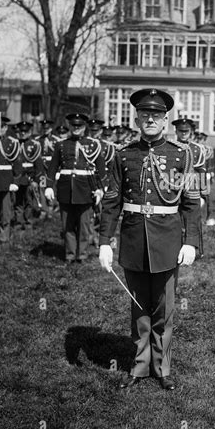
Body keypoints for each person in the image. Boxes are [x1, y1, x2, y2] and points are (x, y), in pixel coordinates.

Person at [98, 88, 200, 391]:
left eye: (156, 115)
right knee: (138, 307)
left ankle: (162, 367)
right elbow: (112, 201)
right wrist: (105, 240)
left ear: (165, 119)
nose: (150, 119)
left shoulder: (182, 155)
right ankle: (140, 365)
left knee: (165, 308)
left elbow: (192, 202)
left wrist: (191, 241)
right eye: (145, 114)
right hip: (132, 240)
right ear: (138, 118)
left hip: (167, 241)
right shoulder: (124, 154)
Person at [45, 113, 107, 263]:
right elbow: (53, 168)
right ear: (70, 127)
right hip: (66, 190)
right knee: (68, 225)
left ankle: (82, 255)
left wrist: (101, 189)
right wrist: (49, 186)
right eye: (73, 126)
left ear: (84, 127)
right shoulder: (61, 145)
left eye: (79, 126)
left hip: (86, 191)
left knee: (84, 225)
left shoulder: (93, 145)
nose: (76, 128)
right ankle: (70, 254)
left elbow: (101, 171)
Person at [171, 116, 208, 255]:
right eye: (181, 131)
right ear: (176, 131)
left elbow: (202, 172)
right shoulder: (171, 148)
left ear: (191, 131)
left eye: (186, 131)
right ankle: (176, 247)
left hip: (193, 188)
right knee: (175, 219)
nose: (183, 134)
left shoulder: (198, 149)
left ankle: (192, 246)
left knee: (193, 218)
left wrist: (203, 194)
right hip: (174, 187)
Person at [0, 116, 22, 247]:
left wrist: (15, 181)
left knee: (6, 210)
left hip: (7, 180)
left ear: (5, 128)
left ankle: (4, 235)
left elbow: (17, 164)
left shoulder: (12, 143)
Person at [87, 118, 116, 247]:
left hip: (102, 181)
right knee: (88, 211)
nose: (94, 133)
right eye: (92, 130)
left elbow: (110, 167)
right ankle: (89, 236)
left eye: (97, 130)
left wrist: (105, 185)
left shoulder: (107, 146)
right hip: (86, 180)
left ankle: (104, 237)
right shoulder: (83, 144)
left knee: (103, 211)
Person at [13, 121, 45, 231]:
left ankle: (28, 221)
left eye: (25, 131)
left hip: (29, 177)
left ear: (30, 132)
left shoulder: (34, 145)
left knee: (29, 201)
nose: (23, 133)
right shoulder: (14, 144)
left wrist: (36, 180)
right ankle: (18, 221)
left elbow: (39, 164)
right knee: (17, 201)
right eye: (21, 131)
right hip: (17, 177)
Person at [36, 119, 58, 219]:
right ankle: (43, 209)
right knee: (42, 187)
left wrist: (58, 170)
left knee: (52, 187)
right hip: (42, 168)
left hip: (52, 168)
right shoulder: (37, 140)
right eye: (44, 128)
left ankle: (51, 207)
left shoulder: (56, 140)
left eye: (47, 128)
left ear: (51, 128)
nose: (46, 130)